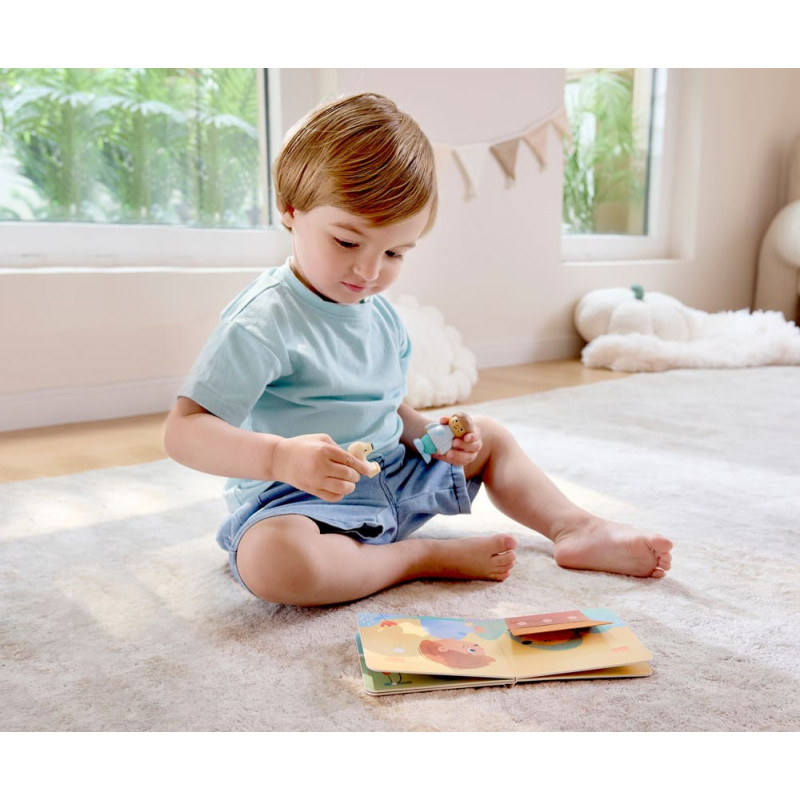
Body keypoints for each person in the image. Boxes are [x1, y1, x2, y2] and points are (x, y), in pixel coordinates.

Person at [164, 92, 673, 607]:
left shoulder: (381, 314)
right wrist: (279, 458)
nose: (368, 271)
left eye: (393, 252)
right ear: (291, 209)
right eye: (346, 242)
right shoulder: (262, 321)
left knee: (491, 436)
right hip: (305, 503)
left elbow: (386, 408)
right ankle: (416, 557)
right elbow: (184, 431)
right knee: (274, 562)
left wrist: (432, 435)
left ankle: (575, 528)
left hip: (393, 479)